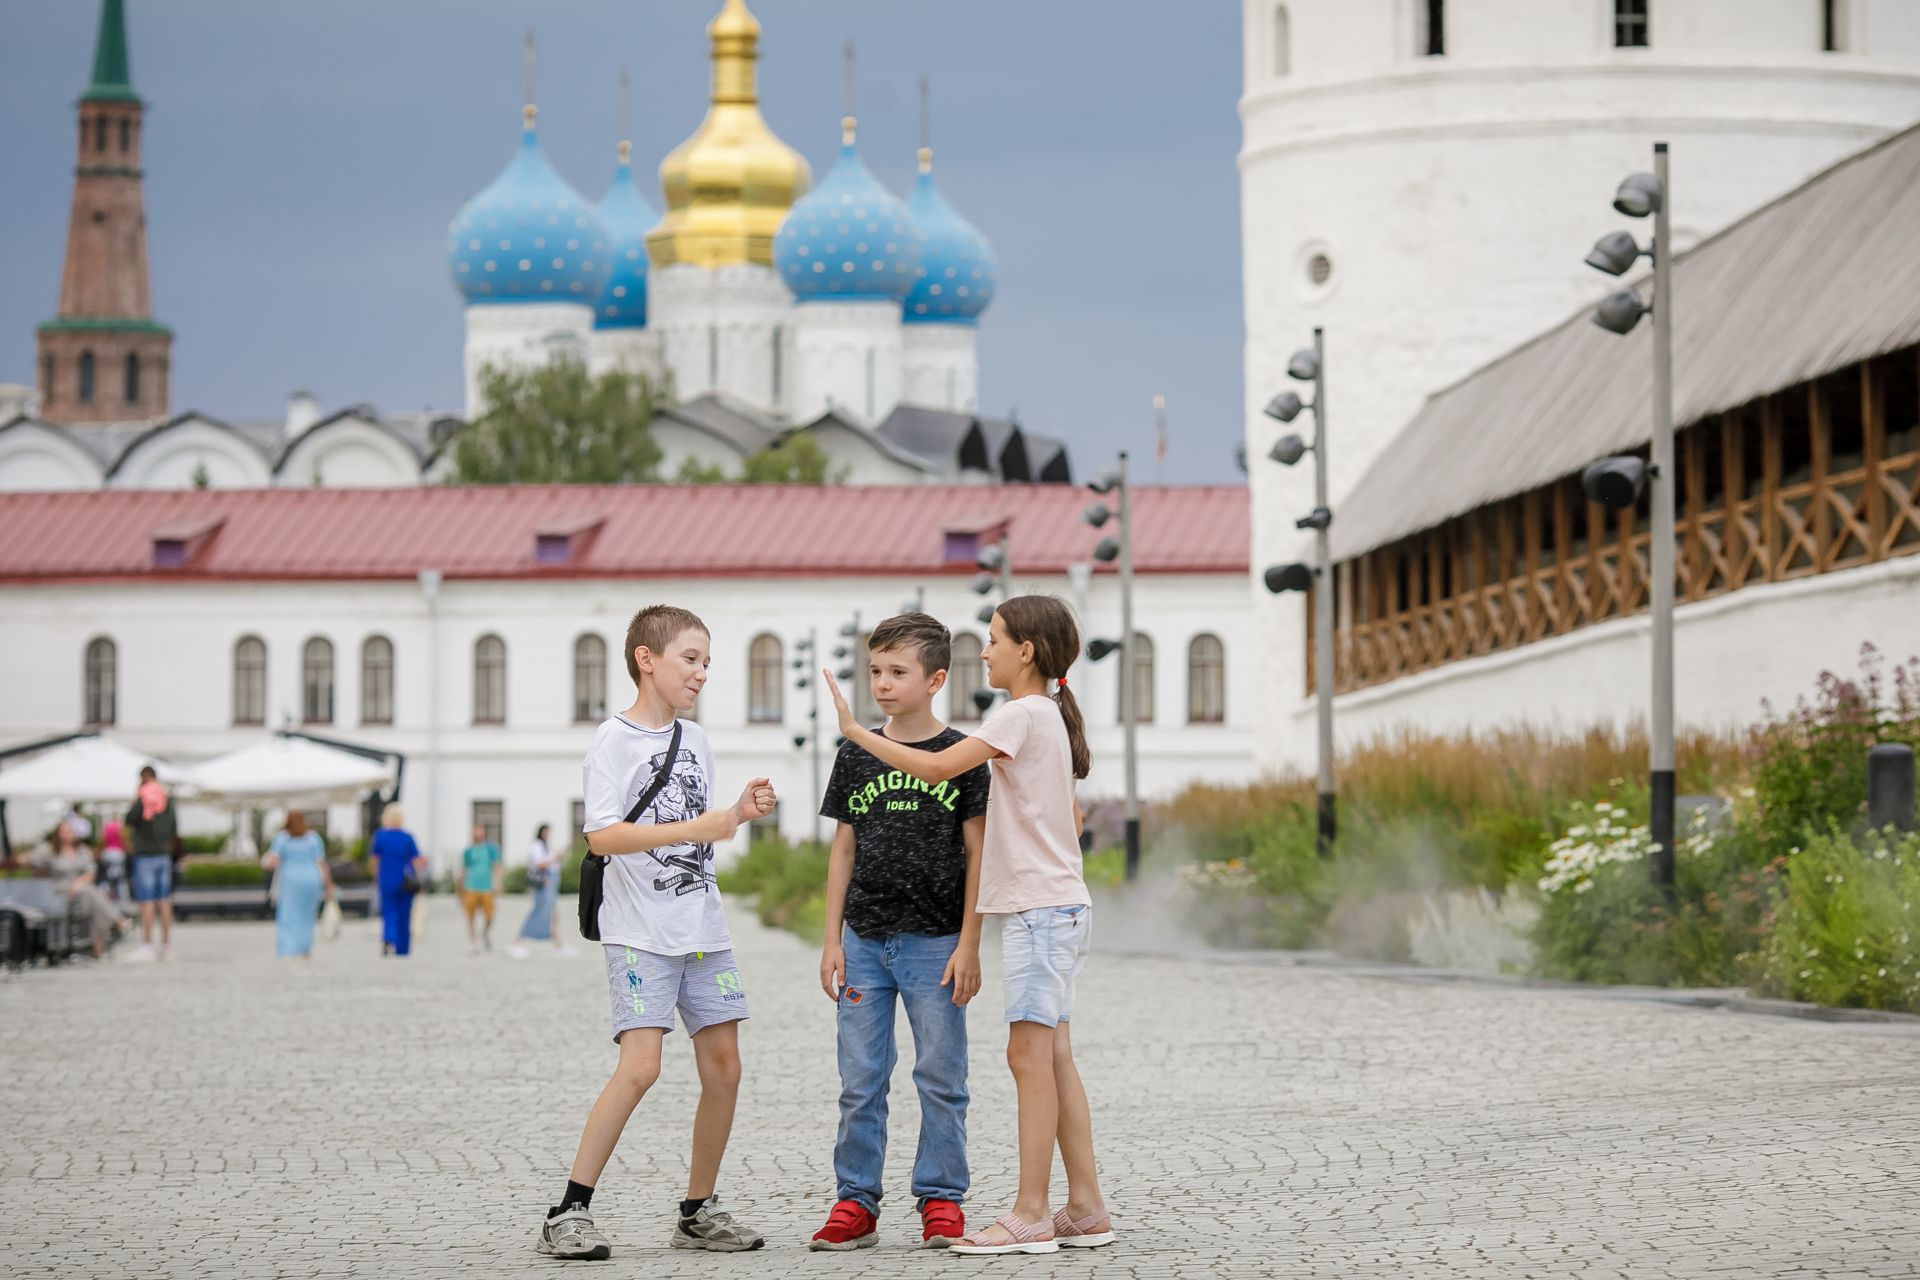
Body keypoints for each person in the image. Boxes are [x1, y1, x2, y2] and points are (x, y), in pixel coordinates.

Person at [822, 595, 1114, 1256]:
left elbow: (934, 766)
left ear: (1027, 652)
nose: (983, 651)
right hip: (1060, 907)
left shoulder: (1023, 712)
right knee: (1056, 1057)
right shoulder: (1046, 716)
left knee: (1028, 1056)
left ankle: (1031, 1212)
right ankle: (1087, 1205)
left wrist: (855, 730)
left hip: (1042, 915)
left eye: (993, 639)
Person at [537, 605, 777, 1261]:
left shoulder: (695, 741)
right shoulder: (612, 740)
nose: (701, 673)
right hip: (639, 931)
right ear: (647, 659)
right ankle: (568, 1211)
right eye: (690, 658)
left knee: (725, 1066)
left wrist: (738, 814)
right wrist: (696, 828)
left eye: (706, 662)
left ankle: (698, 1211)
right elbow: (603, 835)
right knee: (640, 1066)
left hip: (704, 928)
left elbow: (702, 828)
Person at [809, 613, 989, 1252]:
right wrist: (831, 938)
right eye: (875, 671)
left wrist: (970, 943)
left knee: (941, 1076)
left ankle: (941, 1199)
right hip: (863, 941)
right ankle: (855, 1202)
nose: (881, 684)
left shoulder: (964, 756)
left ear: (936, 678)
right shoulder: (855, 753)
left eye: (897, 672)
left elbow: (978, 855)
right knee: (861, 1080)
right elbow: (843, 851)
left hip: (936, 944)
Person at [44, 821, 124, 959]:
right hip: (63, 892)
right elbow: (28, 860)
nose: (68, 833)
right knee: (94, 895)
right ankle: (114, 922)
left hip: (82, 891)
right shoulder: (51, 850)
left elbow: (91, 872)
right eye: (64, 830)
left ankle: (97, 943)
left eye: (70, 830)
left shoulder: (82, 850)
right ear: (57, 833)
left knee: (91, 898)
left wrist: (78, 883)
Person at [123, 765, 177, 962]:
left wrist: (135, 800)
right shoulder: (167, 797)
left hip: (145, 855)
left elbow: (128, 820)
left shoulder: (142, 796)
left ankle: (146, 945)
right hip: (163, 854)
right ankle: (166, 945)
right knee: (164, 901)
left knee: (146, 902)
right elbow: (173, 827)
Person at [264, 811, 333, 959]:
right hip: (311, 879)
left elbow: (272, 861)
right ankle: (304, 947)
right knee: (307, 915)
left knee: (288, 915)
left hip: (290, 880)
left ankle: (289, 948)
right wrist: (328, 886)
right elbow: (321, 863)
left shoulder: (282, 838)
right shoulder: (313, 838)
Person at [370, 804, 426, 957]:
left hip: (386, 879)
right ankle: (402, 948)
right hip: (406, 881)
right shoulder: (407, 837)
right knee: (404, 914)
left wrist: (377, 877)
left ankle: (389, 938)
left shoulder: (380, 836)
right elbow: (417, 860)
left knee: (388, 911)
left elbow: (375, 860)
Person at [509, 823, 571, 959]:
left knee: (553, 914)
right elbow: (539, 863)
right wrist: (555, 857)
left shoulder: (546, 846)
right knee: (539, 911)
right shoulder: (537, 845)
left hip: (551, 882)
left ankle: (558, 945)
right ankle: (517, 942)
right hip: (544, 883)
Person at [459, 824, 503, 955]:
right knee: (470, 917)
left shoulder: (491, 849)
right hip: (470, 886)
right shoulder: (468, 851)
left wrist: (498, 882)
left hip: (487, 887)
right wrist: (459, 889)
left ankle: (485, 934)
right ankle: (473, 943)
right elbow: (463, 869)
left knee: (490, 916)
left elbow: (496, 866)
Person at [97, 814, 127, 903]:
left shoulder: (106, 826)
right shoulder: (120, 826)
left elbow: (102, 840)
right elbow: (123, 839)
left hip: (108, 853)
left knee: (108, 878)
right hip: (118, 853)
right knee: (119, 879)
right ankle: (119, 900)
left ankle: (110, 900)